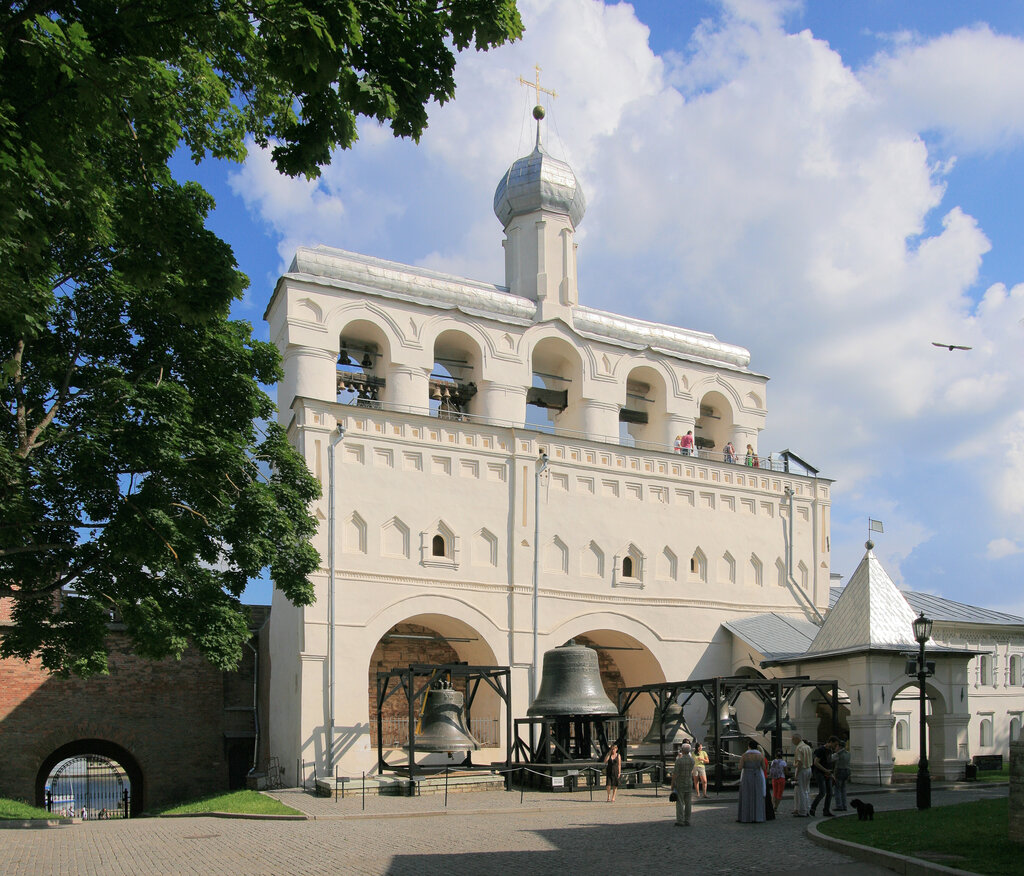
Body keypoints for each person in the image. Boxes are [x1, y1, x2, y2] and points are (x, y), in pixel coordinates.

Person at [737, 739, 766, 823]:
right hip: (757, 775)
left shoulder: (744, 755)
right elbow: (764, 767)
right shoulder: (760, 755)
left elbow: (740, 766)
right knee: (758, 795)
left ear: (749, 746)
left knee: (746, 794)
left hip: (747, 775)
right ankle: (758, 816)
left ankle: (746, 816)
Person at [809, 736, 838, 817]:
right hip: (820, 773)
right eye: (834, 744)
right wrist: (825, 770)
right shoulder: (821, 750)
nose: (835, 747)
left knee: (830, 793)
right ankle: (813, 808)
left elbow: (829, 762)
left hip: (828, 773)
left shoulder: (830, 750)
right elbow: (816, 762)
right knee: (822, 792)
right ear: (830, 742)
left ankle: (826, 810)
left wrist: (832, 774)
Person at [672, 742, 696, 826]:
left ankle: (680, 820)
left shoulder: (679, 761)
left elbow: (675, 774)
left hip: (680, 782)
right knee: (688, 802)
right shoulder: (692, 760)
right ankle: (687, 820)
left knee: (680, 802)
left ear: (682, 750)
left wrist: (672, 784)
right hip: (689, 782)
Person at [792, 733, 813, 817]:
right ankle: (807, 808)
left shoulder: (799, 748)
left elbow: (799, 762)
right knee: (806, 789)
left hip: (802, 770)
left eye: (793, 739)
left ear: (797, 739)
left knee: (800, 791)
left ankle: (802, 810)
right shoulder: (807, 747)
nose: (792, 741)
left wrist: (796, 775)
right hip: (809, 769)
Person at [833, 739, 851, 811]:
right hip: (847, 771)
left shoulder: (838, 754)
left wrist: (835, 752)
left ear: (839, 746)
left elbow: (831, 758)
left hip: (840, 771)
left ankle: (839, 805)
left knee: (837, 789)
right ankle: (844, 805)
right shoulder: (848, 753)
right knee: (843, 789)